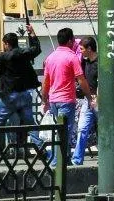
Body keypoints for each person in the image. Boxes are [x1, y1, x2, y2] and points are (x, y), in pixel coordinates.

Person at [0, 23, 42, 145]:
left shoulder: (5, 56)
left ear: (7, 44)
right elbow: (37, 49)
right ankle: (40, 148)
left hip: (9, 96)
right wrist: (32, 34)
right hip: (24, 94)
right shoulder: (25, 53)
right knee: (30, 124)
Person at [41, 27, 90, 165]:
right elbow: (81, 79)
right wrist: (89, 97)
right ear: (70, 41)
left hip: (54, 100)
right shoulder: (72, 57)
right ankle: (57, 163)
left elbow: (46, 82)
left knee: (59, 130)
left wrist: (44, 100)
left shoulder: (50, 58)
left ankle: (64, 159)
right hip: (67, 100)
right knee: (65, 132)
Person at [71, 36, 98, 165]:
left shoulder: (100, 63)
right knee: (82, 129)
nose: (80, 51)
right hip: (88, 101)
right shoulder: (84, 63)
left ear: (89, 48)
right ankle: (77, 159)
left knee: (102, 130)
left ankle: (105, 158)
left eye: (82, 49)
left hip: (99, 101)